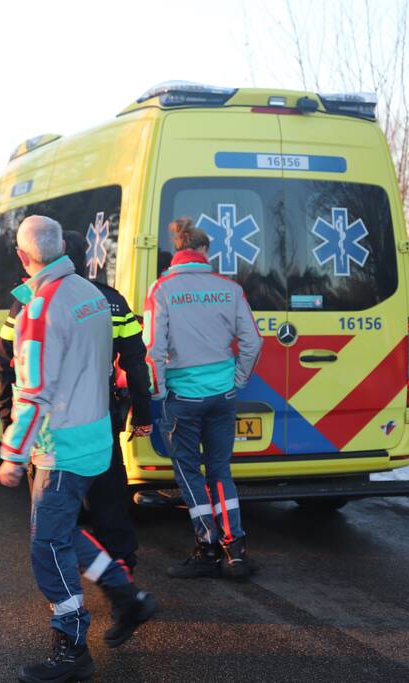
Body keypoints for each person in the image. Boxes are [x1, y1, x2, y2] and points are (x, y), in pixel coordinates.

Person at [0, 216, 156, 683]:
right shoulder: (92, 295)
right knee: (64, 531)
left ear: (24, 258)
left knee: (47, 547)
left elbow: (32, 390)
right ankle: (127, 597)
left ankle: (71, 649)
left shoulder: (39, 308)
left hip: (59, 447)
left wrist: (13, 454)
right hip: (95, 436)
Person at [144, 217, 263, 579]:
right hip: (222, 396)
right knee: (220, 470)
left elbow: (152, 349)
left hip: (184, 398)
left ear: (177, 251)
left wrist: (161, 391)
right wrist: (237, 380)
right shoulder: (229, 288)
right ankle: (236, 550)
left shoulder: (162, 289)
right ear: (205, 251)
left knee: (187, 470)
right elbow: (253, 342)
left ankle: (207, 546)